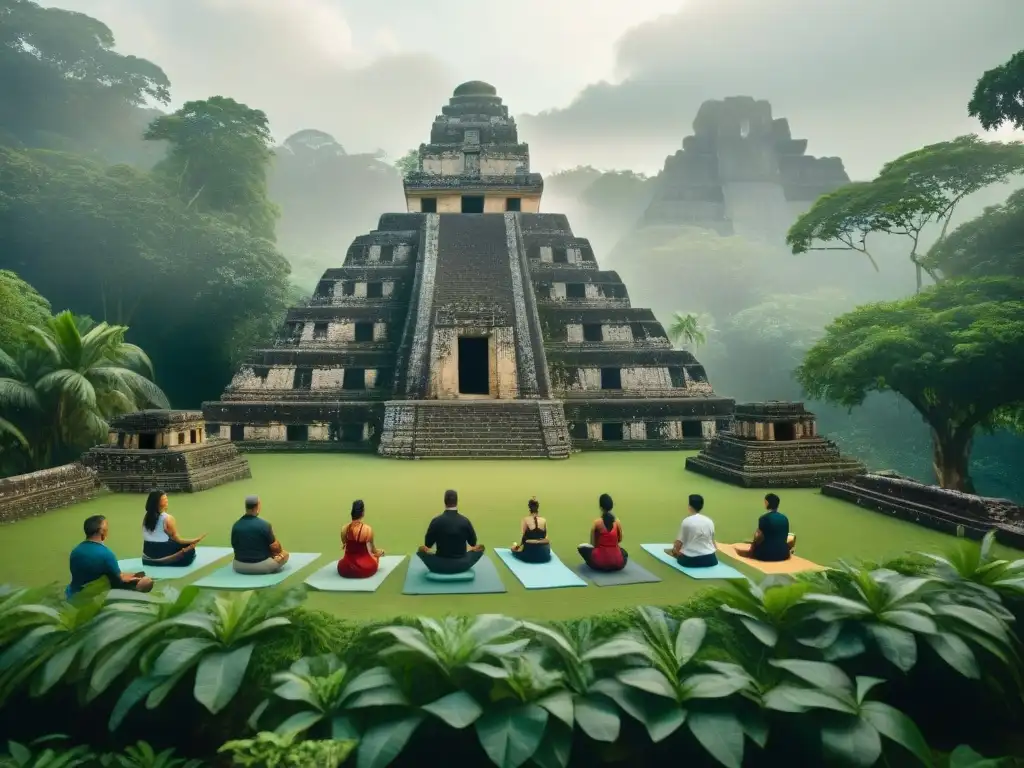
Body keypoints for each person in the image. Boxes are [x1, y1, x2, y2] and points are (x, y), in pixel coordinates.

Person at [67, 515, 153, 598]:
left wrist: (131, 575)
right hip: (95, 595)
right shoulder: (106, 554)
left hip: (73, 592)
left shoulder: (75, 551)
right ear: (101, 531)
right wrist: (136, 579)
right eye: (106, 527)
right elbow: (118, 579)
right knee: (147, 581)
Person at [418, 490, 485, 574]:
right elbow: (473, 543)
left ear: (444, 501)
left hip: (440, 565)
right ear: (456, 502)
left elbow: (428, 544)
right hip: (462, 565)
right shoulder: (465, 521)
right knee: (481, 548)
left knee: (421, 550)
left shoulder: (436, 521)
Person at [141, 490, 206, 567]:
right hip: (160, 551)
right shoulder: (168, 518)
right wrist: (194, 540)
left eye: (166, 498)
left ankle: (153, 560)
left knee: (172, 541)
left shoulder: (146, 516)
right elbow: (178, 540)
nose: (167, 500)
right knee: (190, 550)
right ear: (157, 502)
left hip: (147, 551)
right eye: (164, 499)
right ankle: (165, 561)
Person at [230, 495, 290, 574]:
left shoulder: (236, 525)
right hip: (262, 567)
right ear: (257, 506)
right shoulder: (265, 525)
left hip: (238, 566)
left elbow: (234, 545)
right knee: (285, 554)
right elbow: (276, 548)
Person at [734, 493, 796, 562]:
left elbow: (759, 538)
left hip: (766, 555)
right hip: (783, 555)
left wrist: (752, 549)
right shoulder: (785, 518)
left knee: (757, 534)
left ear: (767, 503)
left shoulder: (764, 518)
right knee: (790, 536)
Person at [666, 494, 717, 568]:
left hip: (691, 561)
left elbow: (678, 543)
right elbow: (713, 542)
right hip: (711, 560)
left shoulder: (687, 521)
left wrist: (675, 552)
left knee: (674, 550)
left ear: (689, 507)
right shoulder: (710, 521)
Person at [578, 494, 626, 572]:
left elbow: (593, 544)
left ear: (601, 507)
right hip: (618, 563)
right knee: (624, 552)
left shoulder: (597, 523)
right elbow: (619, 539)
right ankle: (612, 562)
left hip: (599, 563)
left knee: (581, 548)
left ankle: (601, 563)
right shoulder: (617, 522)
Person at [337, 500, 384, 578]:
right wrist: (379, 553)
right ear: (362, 513)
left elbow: (344, 544)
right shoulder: (368, 529)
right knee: (375, 558)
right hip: (364, 569)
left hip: (345, 568)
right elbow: (373, 550)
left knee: (341, 562)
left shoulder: (344, 528)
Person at [510, 497, 551, 564]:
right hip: (544, 554)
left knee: (513, 547)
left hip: (529, 554)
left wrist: (517, 547)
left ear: (529, 508)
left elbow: (524, 534)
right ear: (537, 508)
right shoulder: (544, 520)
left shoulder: (525, 519)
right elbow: (546, 536)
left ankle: (517, 547)